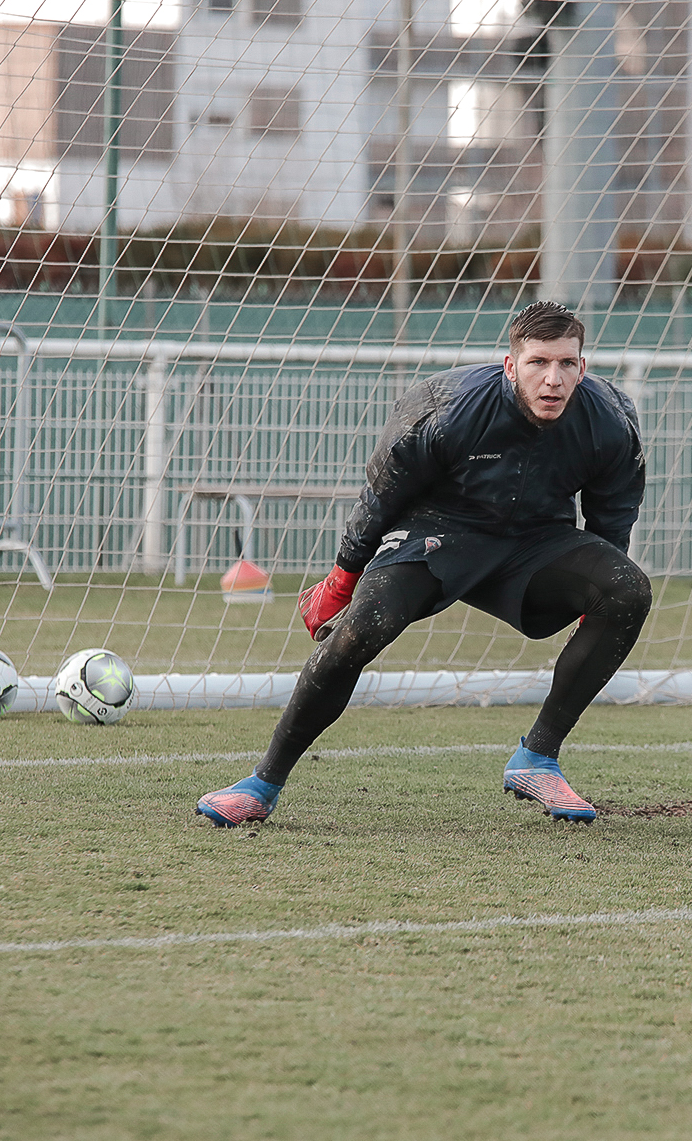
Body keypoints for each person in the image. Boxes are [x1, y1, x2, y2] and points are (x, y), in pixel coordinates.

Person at [197, 301, 651, 827]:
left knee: (628, 589)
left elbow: (611, 518)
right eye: (538, 363)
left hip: (535, 543)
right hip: (438, 533)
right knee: (359, 632)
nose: (553, 379)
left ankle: (537, 757)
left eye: (566, 364)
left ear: (583, 367)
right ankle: (262, 783)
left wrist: (592, 600)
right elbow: (382, 495)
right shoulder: (447, 407)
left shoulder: (610, 422)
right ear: (510, 365)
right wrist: (342, 580)